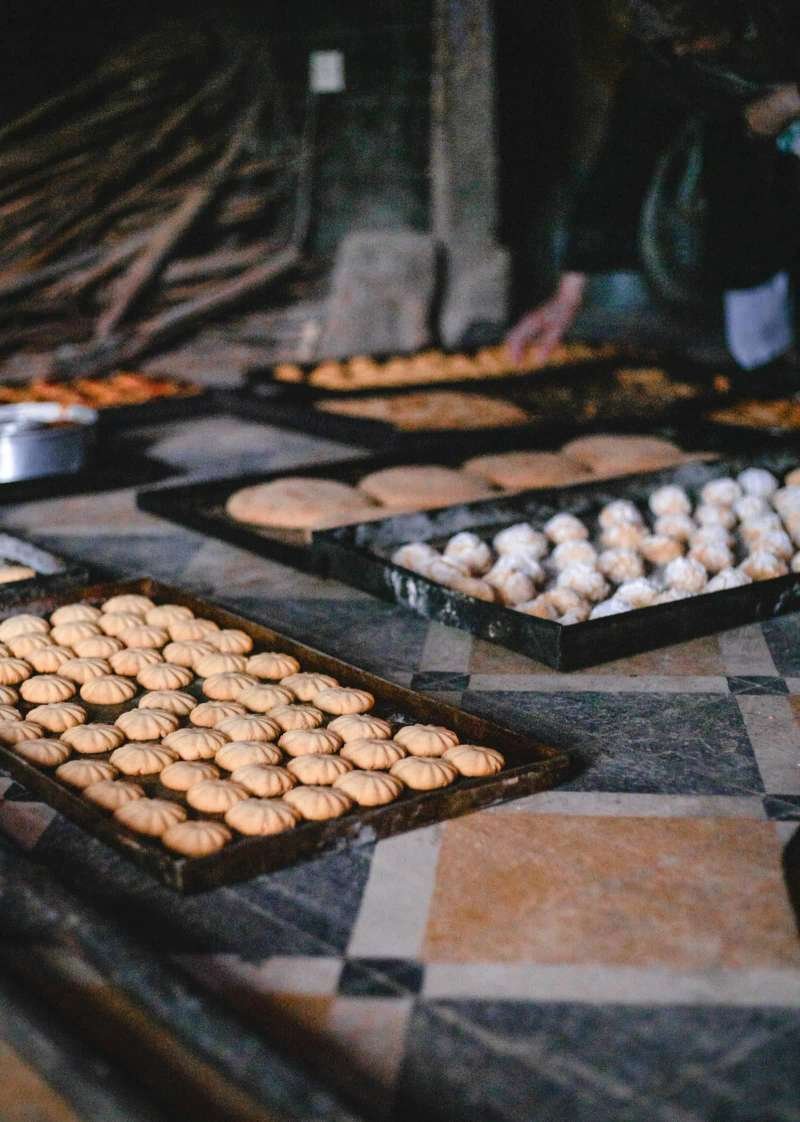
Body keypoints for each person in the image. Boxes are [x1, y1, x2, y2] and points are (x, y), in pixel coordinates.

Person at [507, 0, 800, 369]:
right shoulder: (667, 58)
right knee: (764, 367)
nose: (681, 48)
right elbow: (623, 160)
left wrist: (789, 101)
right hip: (753, 217)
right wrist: (570, 292)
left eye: (690, 36)